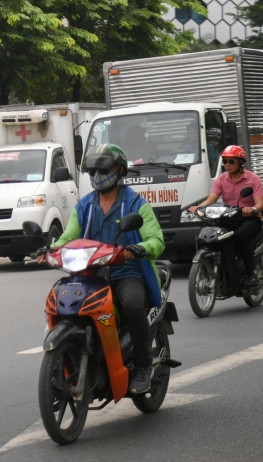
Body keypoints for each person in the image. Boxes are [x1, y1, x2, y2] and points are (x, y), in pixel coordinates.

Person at [51, 144, 165, 395]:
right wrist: (50, 251)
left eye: (103, 170)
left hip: (127, 273)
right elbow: (67, 238)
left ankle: (144, 366)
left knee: (133, 306)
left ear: (119, 171)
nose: (97, 176)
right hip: (90, 275)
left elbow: (156, 240)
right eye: (93, 170)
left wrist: (138, 249)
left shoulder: (136, 204)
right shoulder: (84, 207)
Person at [190, 145, 263, 293]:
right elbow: (211, 198)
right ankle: (222, 270)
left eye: (231, 161)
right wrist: (198, 207)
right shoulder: (222, 179)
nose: (227, 165)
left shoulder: (253, 179)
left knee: (240, 236)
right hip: (228, 218)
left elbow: (261, 204)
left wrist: (252, 209)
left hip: (249, 219)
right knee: (210, 235)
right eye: (225, 161)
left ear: (240, 162)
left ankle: (251, 274)